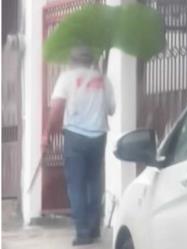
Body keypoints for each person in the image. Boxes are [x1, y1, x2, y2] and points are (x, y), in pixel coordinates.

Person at [41, 46, 115, 246]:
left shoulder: (66, 78)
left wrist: (47, 134)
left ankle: (83, 233)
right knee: (94, 183)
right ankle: (94, 229)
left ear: (72, 61)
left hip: (75, 136)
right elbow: (112, 109)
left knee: (76, 185)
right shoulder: (103, 80)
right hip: (98, 136)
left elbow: (56, 108)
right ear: (91, 61)